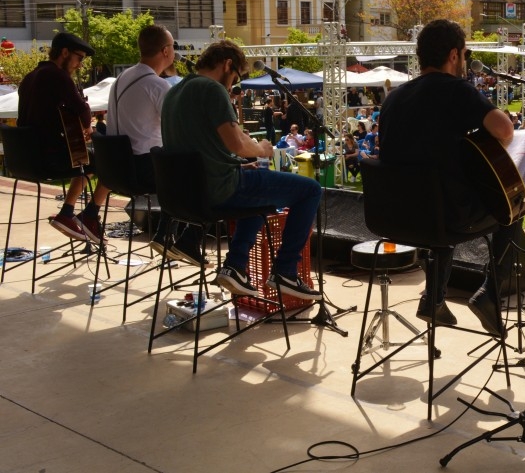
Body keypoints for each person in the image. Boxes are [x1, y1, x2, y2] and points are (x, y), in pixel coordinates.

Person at [378, 19, 518, 337]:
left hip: (395, 218)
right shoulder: (456, 90)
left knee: (441, 197)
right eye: (465, 55)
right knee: (512, 208)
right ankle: (491, 295)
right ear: (454, 55)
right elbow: (505, 129)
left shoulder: (393, 99)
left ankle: (434, 296)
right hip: (443, 219)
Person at [161, 40, 321, 300]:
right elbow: (237, 144)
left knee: (259, 190)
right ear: (227, 65)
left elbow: (202, 146)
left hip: (185, 195)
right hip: (219, 188)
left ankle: (236, 266)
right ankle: (285, 271)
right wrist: (262, 149)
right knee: (310, 190)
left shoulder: (174, 93)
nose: (231, 84)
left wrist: (239, 158)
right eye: (234, 76)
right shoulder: (212, 89)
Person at [107, 24, 204, 264]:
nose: (175, 52)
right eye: (174, 47)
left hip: (116, 169)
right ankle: (185, 239)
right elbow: (180, 128)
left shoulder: (121, 78)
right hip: (141, 169)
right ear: (165, 51)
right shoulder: (157, 85)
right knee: (202, 172)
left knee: (179, 169)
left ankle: (165, 233)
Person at [17, 32, 110, 242]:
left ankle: (68, 214)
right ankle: (83, 216)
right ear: (65, 52)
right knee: (106, 163)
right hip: (48, 159)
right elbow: (82, 111)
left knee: (84, 158)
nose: (79, 65)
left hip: (26, 159)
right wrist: (86, 125)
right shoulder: (56, 75)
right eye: (79, 58)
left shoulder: (30, 77)